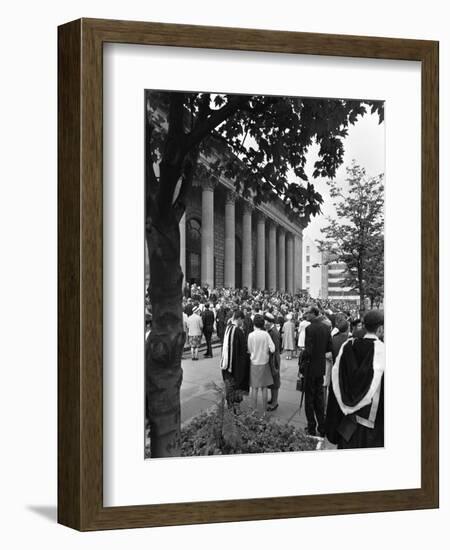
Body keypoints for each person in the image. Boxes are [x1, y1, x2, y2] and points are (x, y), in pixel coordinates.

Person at [325, 310, 385, 449]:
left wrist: (333, 421)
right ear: (380, 328)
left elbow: (336, 384)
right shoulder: (385, 352)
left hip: (346, 426)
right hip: (372, 429)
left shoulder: (348, 346)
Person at [301, 305, 333, 436]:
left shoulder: (310, 328)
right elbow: (329, 348)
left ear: (314, 314)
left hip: (310, 368)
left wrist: (303, 356)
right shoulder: (326, 328)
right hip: (320, 368)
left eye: (307, 313)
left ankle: (311, 427)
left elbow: (308, 351)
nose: (306, 315)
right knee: (319, 399)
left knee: (309, 399)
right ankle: (322, 427)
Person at [220, 310, 250, 412]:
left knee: (229, 388)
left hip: (226, 365)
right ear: (239, 319)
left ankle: (230, 408)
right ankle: (235, 411)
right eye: (242, 320)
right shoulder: (238, 331)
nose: (243, 322)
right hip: (235, 367)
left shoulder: (227, 328)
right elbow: (242, 352)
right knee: (235, 389)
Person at [247, 314, 275, 412]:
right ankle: (264, 411)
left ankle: (253, 411)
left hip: (254, 363)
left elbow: (249, 350)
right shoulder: (266, 334)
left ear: (254, 323)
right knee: (264, 388)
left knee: (254, 388)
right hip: (264, 363)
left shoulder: (251, 335)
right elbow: (273, 348)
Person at [264, 312, 281, 411]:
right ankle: (273, 399)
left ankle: (275, 403)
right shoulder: (271, 331)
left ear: (270, 322)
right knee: (272, 381)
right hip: (272, 359)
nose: (264, 323)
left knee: (275, 381)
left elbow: (275, 348)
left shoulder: (273, 332)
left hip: (273, 360)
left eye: (265, 321)